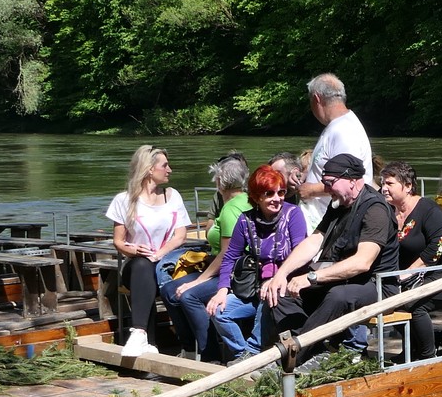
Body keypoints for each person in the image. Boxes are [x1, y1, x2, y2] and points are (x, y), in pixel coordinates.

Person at [265, 153, 396, 355]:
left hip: (377, 285)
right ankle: (316, 352)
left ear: (353, 181)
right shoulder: (338, 205)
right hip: (343, 281)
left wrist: (312, 277)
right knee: (281, 294)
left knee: (337, 296)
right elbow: (314, 240)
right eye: (324, 182)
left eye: (330, 183)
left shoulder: (375, 209)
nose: (326, 189)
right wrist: (281, 275)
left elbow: (363, 262)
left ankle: (293, 358)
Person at [207, 166, 308, 362]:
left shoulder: (292, 214)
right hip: (253, 287)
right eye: (269, 193)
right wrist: (222, 289)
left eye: (281, 192)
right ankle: (244, 355)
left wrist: (277, 279)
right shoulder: (246, 220)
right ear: (256, 196)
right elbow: (229, 256)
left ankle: (252, 353)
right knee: (219, 312)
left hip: (286, 288)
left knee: (269, 294)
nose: (277, 198)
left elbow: (301, 253)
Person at [160, 153, 250, 360]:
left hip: (234, 272)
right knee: (169, 290)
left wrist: (199, 281)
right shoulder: (245, 200)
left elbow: (228, 254)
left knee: (188, 295)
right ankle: (190, 347)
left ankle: (209, 353)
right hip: (227, 267)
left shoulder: (230, 210)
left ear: (220, 181)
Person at [379, 160, 442, 361]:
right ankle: (411, 350)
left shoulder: (428, 209)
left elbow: (438, 246)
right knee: (391, 301)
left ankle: (427, 356)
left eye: (389, 184)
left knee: (415, 304)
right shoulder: (388, 213)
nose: (383, 188)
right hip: (416, 275)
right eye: (382, 183)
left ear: (408, 186)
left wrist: (409, 272)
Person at [107, 145, 188, 357]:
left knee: (152, 268)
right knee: (144, 266)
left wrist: (159, 254)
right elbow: (118, 242)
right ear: (150, 169)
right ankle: (140, 334)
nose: (170, 169)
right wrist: (134, 249)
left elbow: (180, 235)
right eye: (165, 165)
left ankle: (148, 341)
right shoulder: (124, 200)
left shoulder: (173, 196)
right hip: (136, 265)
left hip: (167, 264)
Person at [297, 73, 372, 231]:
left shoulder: (344, 131)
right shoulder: (336, 126)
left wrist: (310, 190)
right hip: (322, 221)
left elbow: (351, 181)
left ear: (317, 99)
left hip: (332, 224)